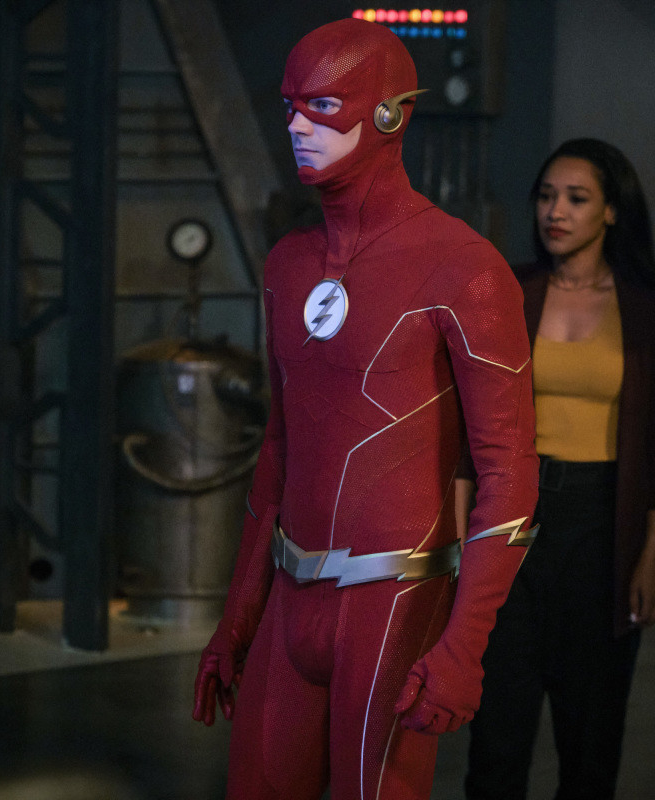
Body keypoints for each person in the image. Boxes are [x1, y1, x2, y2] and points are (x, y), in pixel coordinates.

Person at [190, 18, 539, 800]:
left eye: (322, 106)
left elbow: (509, 474)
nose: (295, 126)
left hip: (394, 599)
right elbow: (279, 448)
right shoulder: (288, 264)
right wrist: (238, 614)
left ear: (388, 113)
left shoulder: (465, 269)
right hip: (291, 594)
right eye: (289, 105)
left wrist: (464, 646)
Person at [462, 138, 655, 800]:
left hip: (602, 521)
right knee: (497, 733)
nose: (555, 212)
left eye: (576, 198)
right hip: (513, 516)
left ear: (611, 211)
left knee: (589, 742)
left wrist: (653, 556)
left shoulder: (651, 309)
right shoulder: (509, 290)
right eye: (545, 196)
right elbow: (470, 424)